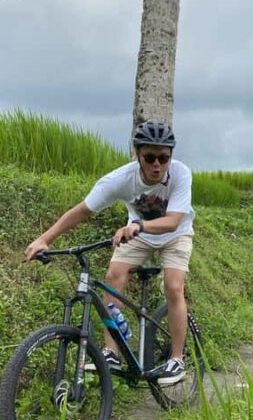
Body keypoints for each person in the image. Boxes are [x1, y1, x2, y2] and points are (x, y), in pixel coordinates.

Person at [24, 121, 194, 386]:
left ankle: (176, 358)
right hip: (138, 234)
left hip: (175, 235)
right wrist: (44, 239)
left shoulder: (181, 174)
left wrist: (137, 225)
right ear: (137, 155)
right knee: (113, 275)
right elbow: (82, 211)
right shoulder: (120, 180)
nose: (157, 165)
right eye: (150, 157)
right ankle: (111, 352)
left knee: (173, 286)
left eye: (164, 157)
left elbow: (172, 221)